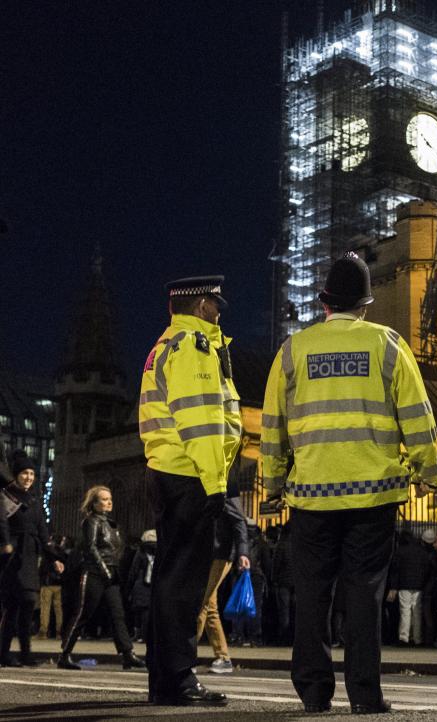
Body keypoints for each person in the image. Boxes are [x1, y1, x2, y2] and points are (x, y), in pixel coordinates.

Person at [261, 252, 437, 716]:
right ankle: (364, 693)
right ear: (364, 305)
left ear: (325, 303)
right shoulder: (387, 344)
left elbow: (274, 425)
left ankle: (313, 692)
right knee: (364, 594)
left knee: (312, 594)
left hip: (311, 497)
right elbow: (418, 416)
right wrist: (427, 472)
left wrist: (274, 483)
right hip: (373, 495)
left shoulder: (293, 350)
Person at [138, 275, 240, 706]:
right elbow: (201, 422)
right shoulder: (192, 347)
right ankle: (179, 677)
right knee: (184, 584)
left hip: (168, 471)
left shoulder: (165, 346)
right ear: (201, 305)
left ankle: (164, 677)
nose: (219, 312)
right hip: (190, 475)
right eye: (216, 304)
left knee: (169, 579)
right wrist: (215, 483)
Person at [58, 486, 145, 670]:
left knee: (117, 614)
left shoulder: (110, 524)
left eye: (110, 498)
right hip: (94, 573)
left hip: (111, 574)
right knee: (83, 614)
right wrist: (103, 569)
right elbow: (90, 548)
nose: (109, 502)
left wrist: (113, 571)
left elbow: (116, 550)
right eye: (104, 499)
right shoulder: (91, 521)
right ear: (94, 503)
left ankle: (127, 654)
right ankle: (64, 655)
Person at [0, 451, 64, 667]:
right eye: (24, 473)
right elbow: (2, 524)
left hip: (30, 557)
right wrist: (6, 544)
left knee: (27, 603)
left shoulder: (34, 501)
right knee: (13, 606)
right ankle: (4, 652)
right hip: (12, 557)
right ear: (16, 475)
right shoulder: (6, 496)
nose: (28, 477)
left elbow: (43, 533)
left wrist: (54, 558)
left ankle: (25, 653)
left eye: (31, 473)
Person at [197, 476, 251, 674]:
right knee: (209, 606)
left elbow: (239, 520)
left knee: (201, 603)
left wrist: (243, 552)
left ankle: (185, 655)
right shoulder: (204, 480)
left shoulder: (225, 482)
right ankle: (223, 657)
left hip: (220, 553)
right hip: (207, 552)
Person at [387, 528, 433, 646]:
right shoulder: (422, 551)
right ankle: (417, 638)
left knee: (405, 611)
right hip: (419, 585)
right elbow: (427, 568)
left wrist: (393, 586)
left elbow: (395, 570)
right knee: (417, 612)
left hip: (404, 584)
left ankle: (404, 637)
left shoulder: (400, 551)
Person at [128, 529, 157, 642]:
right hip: (155, 585)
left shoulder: (141, 551)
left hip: (141, 584)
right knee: (150, 612)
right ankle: (148, 635)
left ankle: (138, 634)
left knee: (139, 611)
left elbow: (134, 570)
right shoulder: (162, 550)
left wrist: (129, 586)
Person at [37, 534, 67, 640]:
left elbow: (42, 568)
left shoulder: (47, 552)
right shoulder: (63, 553)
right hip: (59, 584)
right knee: (59, 609)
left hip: (47, 583)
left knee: (45, 608)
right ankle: (59, 633)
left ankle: (43, 632)